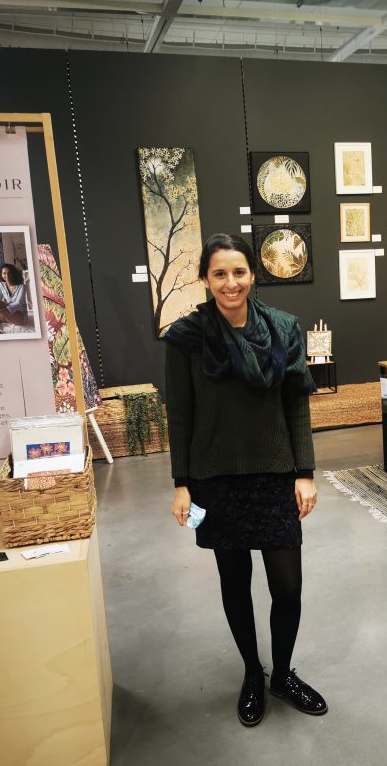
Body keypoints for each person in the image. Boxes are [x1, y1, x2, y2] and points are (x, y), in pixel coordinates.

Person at [162, 232, 326, 727]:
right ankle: (253, 673)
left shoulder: (283, 329)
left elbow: (296, 403)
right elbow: (181, 415)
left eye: (238, 272)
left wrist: (305, 473)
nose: (230, 283)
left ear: (254, 274)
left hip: (275, 474)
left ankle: (282, 674)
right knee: (235, 584)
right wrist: (182, 483)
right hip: (216, 478)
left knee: (288, 586)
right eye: (219, 273)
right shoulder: (186, 338)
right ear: (205, 279)